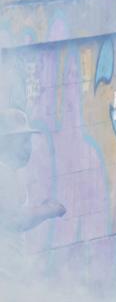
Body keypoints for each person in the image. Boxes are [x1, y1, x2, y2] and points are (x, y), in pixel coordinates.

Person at [0, 108, 66, 268]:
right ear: (5, 142)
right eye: (23, 141)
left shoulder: (10, 172)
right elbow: (14, 220)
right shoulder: (3, 173)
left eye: (28, 141)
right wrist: (48, 210)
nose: (27, 148)